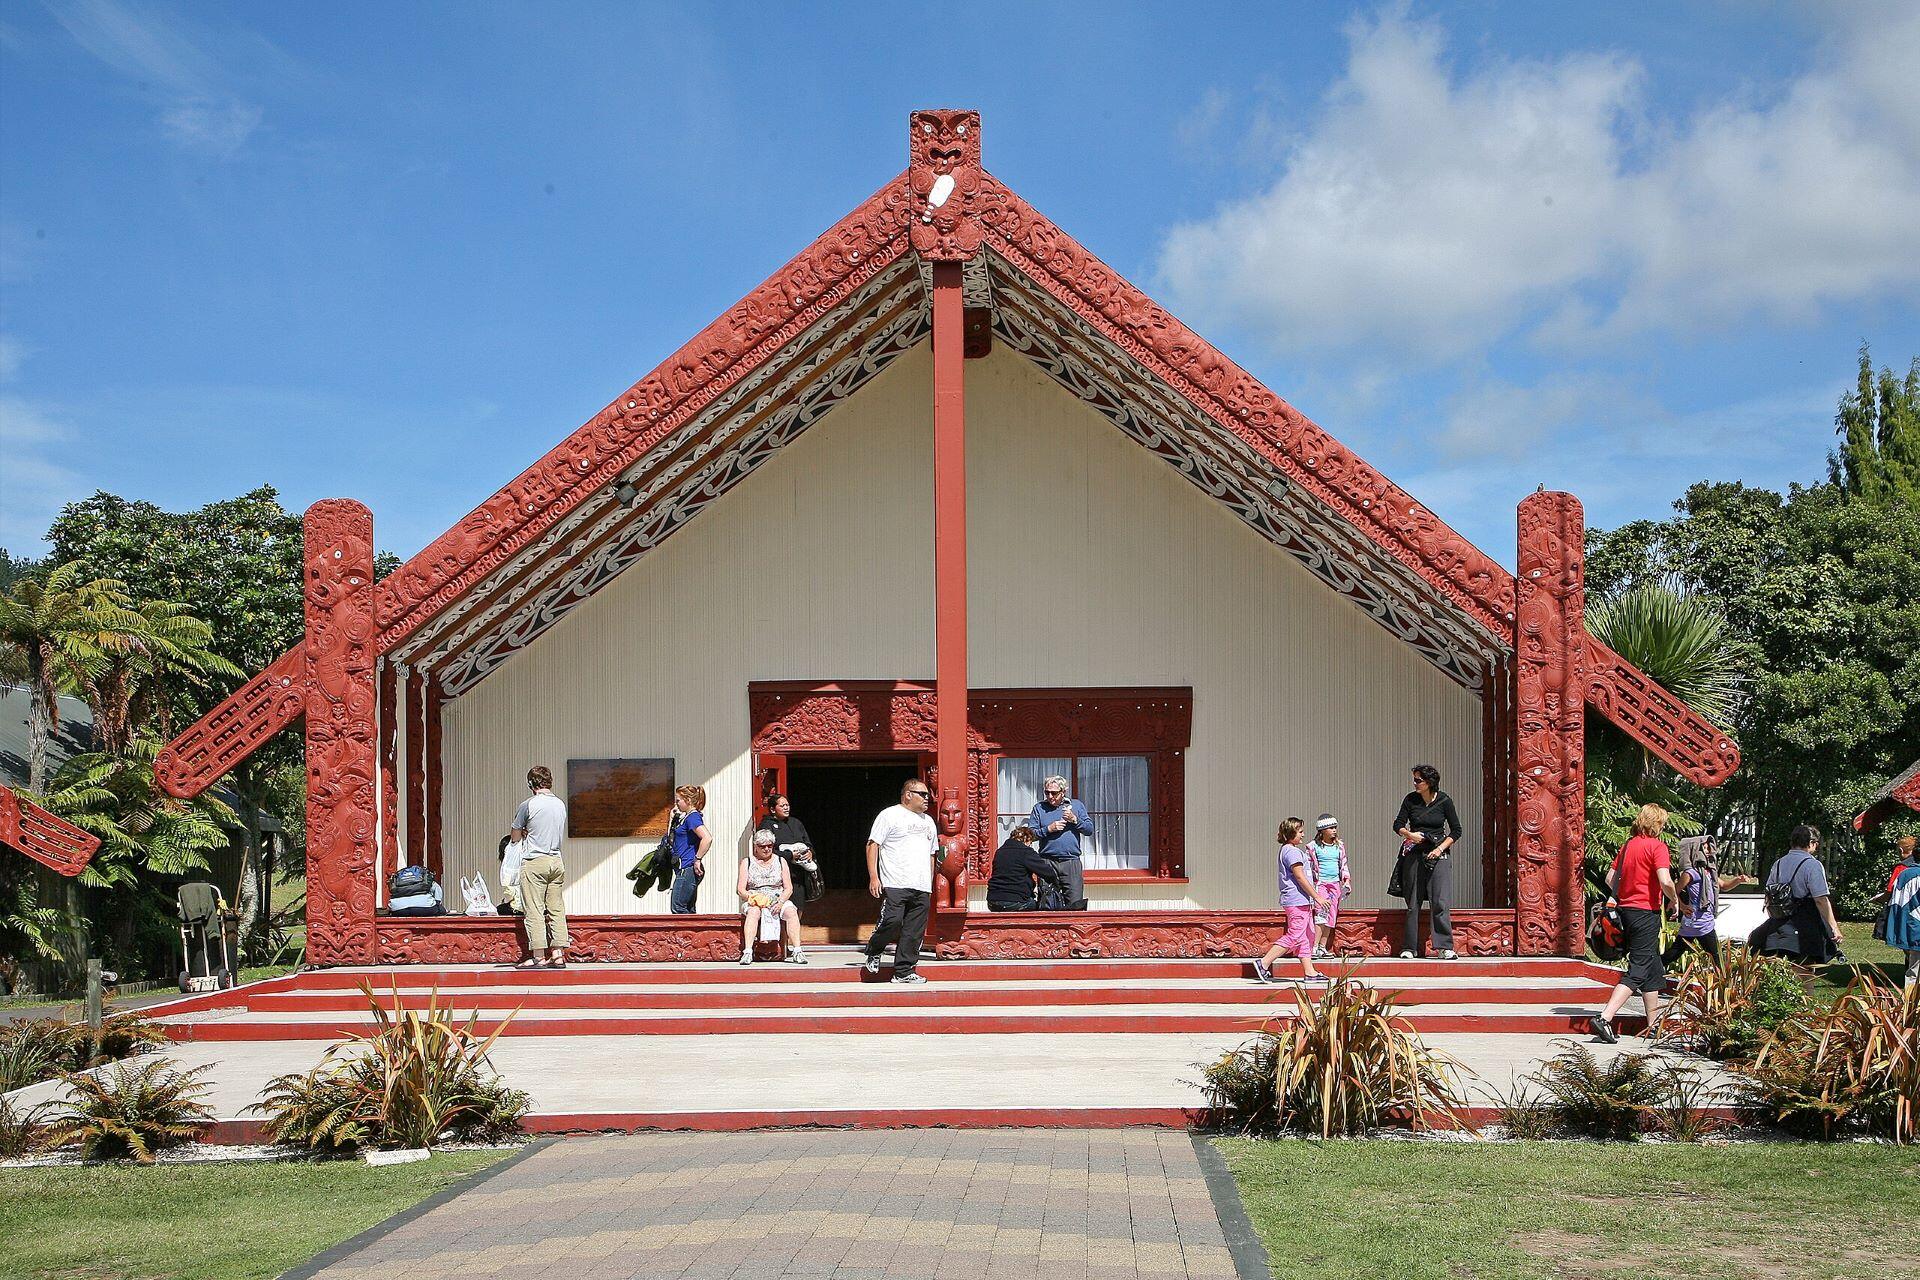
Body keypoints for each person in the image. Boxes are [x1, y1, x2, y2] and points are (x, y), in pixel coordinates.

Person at [1589, 804, 1681, 1044]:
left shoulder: (1628, 845)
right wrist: (1674, 899)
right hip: (1645, 913)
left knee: (1652, 967)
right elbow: (1665, 880)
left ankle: (1654, 1026)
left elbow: (1611, 877)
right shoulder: (1657, 847)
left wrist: (1627, 892)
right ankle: (1605, 1017)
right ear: (1657, 824)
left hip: (1625, 911)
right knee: (1639, 968)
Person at [863, 778, 938, 984]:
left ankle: (903, 971)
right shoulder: (889, 815)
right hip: (895, 881)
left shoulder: (929, 821)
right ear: (908, 795)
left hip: (921, 884)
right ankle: (875, 949)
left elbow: (933, 853)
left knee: (914, 931)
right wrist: (874, 876)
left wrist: (929, 883)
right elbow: (873, 845)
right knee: (892, 920)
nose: (927, 799)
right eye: (922, 794)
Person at [1391, 764, 1462, 960]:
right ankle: (1409, 947)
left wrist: (1440, 849)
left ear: (1429, 782)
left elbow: (1456, 830)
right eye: (1414, 779)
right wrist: (1409, 835)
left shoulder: (1445, 801)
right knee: (1413, 902)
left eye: (1418, 780)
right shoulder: (1410, 799)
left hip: (1438, 854)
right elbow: (1398, 824)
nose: (1414, 783)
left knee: (1440, 901)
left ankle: (1444, 947)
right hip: (1415, 853)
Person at [1749, 825, 1844, 964]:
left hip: (1779, 923)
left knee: (1780, 972)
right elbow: (1820, 900)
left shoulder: (1779, 863)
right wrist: (1834, 928)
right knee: (1806, 974)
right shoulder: (1812, 865)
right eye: (1816, 843)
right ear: (1811, 843)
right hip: (1806, 924)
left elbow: (1769, 893)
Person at [1254, 817, 1329, 985]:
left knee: (1307, 936)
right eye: (1300, 831)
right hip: (1297, 901)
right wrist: (1317, 897)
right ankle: (1264, 963)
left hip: (1302, 901)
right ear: (1291, 833)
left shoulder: (1290, 850)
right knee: (1295, 935)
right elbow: (1300, 877)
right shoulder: (1292, 851)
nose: (1303, 835)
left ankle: (1310, 972)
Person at [510, 765, 568, 969]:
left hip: (535, 861)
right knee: (556, 908)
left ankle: (538, 955)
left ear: (531, 784)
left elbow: (515, 836)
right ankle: (559, 953)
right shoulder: (560, 804)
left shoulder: (528, 805)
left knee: (534, 908)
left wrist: (525, 833)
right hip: (556, 860)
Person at [1662, 836, 1752, 967]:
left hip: (1703, 920)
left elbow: (1724, 886)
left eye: (1709, 847)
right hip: (1697, 922)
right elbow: (1674, 890)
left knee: (1676, 951)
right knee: (1716, 957)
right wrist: (1682, 906)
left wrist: (1738, 880)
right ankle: (1724, 982)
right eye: (1704, 848)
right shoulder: (1690, 873)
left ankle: (1653, 969)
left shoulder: (1709, 872)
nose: (1708, 851)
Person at [738, 830, 806, 965]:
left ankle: (797, 950)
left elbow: (788, 888)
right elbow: (740, 890)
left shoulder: (781, 861)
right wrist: (752, 898)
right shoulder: (747, 862)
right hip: (756, 897)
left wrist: (780, 902)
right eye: (762, 846)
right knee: (753, 912)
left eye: (769, 845)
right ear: (755, 846)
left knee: (791, 911)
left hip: (777, 896)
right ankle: (748, 952)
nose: (766, 849)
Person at [1029, 776, 1093, 908]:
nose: (1050, 796)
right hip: (1047, 861)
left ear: (1063, 792)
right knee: (1047, 903)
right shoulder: (1039, 808)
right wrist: (1048, 829)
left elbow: (1089, 830)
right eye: (1047, 792)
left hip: (1070, 861)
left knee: (1075, 904)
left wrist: (1075, 820)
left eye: (1054, 793)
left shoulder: (1076, 805)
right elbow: (1030, 835)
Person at [756, 793, 822, 902]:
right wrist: (790, 855)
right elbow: (765, 851)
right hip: (777, 876)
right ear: (773, 809)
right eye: (782, 806)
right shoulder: (766, 825)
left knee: (797, 909)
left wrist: (810, 852)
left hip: (797, 876)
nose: (786, 808)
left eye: (787, 805)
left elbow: (808, 843)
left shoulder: (796, 823)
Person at [986, 824, 1067, 912]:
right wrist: (1056, 883)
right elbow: (1047, 872)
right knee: (1040, 907)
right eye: (1030, 842)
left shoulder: (999, 852)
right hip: (1016, 900)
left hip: (992, 901)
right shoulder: (1025, 852)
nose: (1030, 845)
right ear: (1026, 839)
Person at [1308, 814, 1351, 959]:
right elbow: (1308, 867)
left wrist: (1346, 881)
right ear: (1322, 831)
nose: (1334, 831)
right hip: (1321, 884)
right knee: (1321, 915)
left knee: (1331, 916)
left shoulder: (1339, 846)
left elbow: (1343, 864)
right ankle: (1313, 947)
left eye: (1335, 828)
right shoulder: (1313, 847)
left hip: (1335, 885)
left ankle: (1322, 947)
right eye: (1331, 828)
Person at [1881, 842, 1920, 989]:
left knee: (1913, 971)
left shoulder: (1904, 874)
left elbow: (1896, 904)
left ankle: (1910, 1007)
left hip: (1911, 927)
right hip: (1916, 925)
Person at [668, 784, 711, 915]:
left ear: (688, 800)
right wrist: (672, 818)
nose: (676, 804)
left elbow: (707, 838)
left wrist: (697, 859)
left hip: (687, 867)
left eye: (678, 801)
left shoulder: (692, 817)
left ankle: (684, 935)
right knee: (688, 909)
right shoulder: (685, 818)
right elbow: (670, 837)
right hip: (683, 867)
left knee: (678, 907)